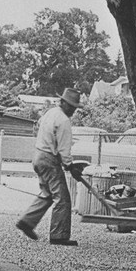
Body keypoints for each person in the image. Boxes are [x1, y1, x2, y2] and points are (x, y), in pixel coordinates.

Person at [16, 88, 83, 246]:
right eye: (71, 107)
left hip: (39, 156)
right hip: (49, 159)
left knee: (47, 193)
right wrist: (69, 165)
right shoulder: (64, 121)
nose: (73, 110)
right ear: (64, 103)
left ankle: (27, 221)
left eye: (75, 107)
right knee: (63, 199)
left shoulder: (50, 113)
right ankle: (59, 235)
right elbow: (64, 148)